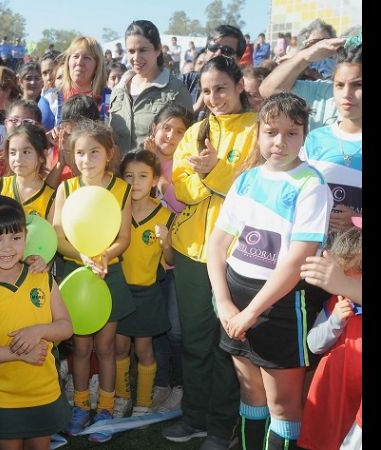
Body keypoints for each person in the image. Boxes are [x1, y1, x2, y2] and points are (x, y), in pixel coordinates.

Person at [206, 92, 333, 450]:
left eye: (291, 133)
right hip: (236, 297)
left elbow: (296, 261)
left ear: (304, 136)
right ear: (258, 133)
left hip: (281, 304)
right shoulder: (246, 179)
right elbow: (217, 244)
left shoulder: (311, 185)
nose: (280, 142)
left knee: (283, 405)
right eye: (271, 132)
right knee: (251, 393)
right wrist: (224, 302)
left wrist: (249, 313)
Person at [163, 55, 257, 450]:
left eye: (221, 88)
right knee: (195, 341)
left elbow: (248, 186)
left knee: (227, 345)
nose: (214, 97)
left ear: (239, 86)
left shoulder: (257, 129)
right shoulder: (196, 131)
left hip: (236, 255)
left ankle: (222, 426)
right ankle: (195, 417)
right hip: (189, 253)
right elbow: (180, 187)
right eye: (206, 90)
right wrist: (207, 176)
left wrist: (211, 171)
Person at [0, 193, 73, 450]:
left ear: (26, 236)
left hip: (44, 391)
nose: (7, 248)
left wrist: (39, 331)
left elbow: (66, 327)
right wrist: (18, 354)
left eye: (16, 237)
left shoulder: (41, 277)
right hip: (2, 397)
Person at [53, 120, 133, 443]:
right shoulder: (66, 189)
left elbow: (124, 238)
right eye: (80, 153)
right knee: (81, 347)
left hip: (108, 275)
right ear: (72, 155)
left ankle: (107, 409)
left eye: (94, 152)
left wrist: (104, 256)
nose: (87, 160)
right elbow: (58, 236)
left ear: (109, 153)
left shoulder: (122, 189)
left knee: (106, 346)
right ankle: (81, 404)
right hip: (76, 278)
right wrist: (82, 255)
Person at [139, 104, 194, 413]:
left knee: (175, 329)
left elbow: (184, 206)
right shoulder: (141, 160)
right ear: (154, 129)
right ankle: (161, 382)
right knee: (156, 326)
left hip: (174, 261)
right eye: (166, 128)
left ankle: (181, 385)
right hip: (145, 261)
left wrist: (162, 179)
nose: (171, 136)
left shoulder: (186, 165)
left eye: (180, 131)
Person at [113, 149, 175, 418]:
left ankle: (143, 403)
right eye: (129, 176)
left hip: (147, 293)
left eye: (142, 176)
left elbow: (170, 260)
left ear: (155, 180)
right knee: (119, 348)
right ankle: (122, 397)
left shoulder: (165, 215)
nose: (135, 182)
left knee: (143, 349)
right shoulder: (115, 211)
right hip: (119, 290)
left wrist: (166, 243)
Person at [298, 220, 363, 450]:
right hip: (337, 388)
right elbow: (313, 344)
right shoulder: (338, 302)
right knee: (329, 436)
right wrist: (335, 321)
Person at [109, 20, 192, 156]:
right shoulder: (118, 91)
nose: (136, 57)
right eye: (131, 51)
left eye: (143, 50)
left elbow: (188, 142)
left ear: (158, 49)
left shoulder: (176, 91)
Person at [302, 43, 362, 232]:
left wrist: (357, 221)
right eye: (339, 85)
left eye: (358, 85)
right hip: (312, 249)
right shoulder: (315, 139)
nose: (346, 94)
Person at [39, 36, 111, 131]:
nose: (79, 62)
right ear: (68, 62)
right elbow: (37, 137)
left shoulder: (110, 99)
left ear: (97, 65)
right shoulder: (51, 99)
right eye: (75, 56)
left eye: (87, 58)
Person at [0, 123, 55, 220]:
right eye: (13, 153)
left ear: (42, 156)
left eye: (26, 152)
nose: (18, 158)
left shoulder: (51, 197)